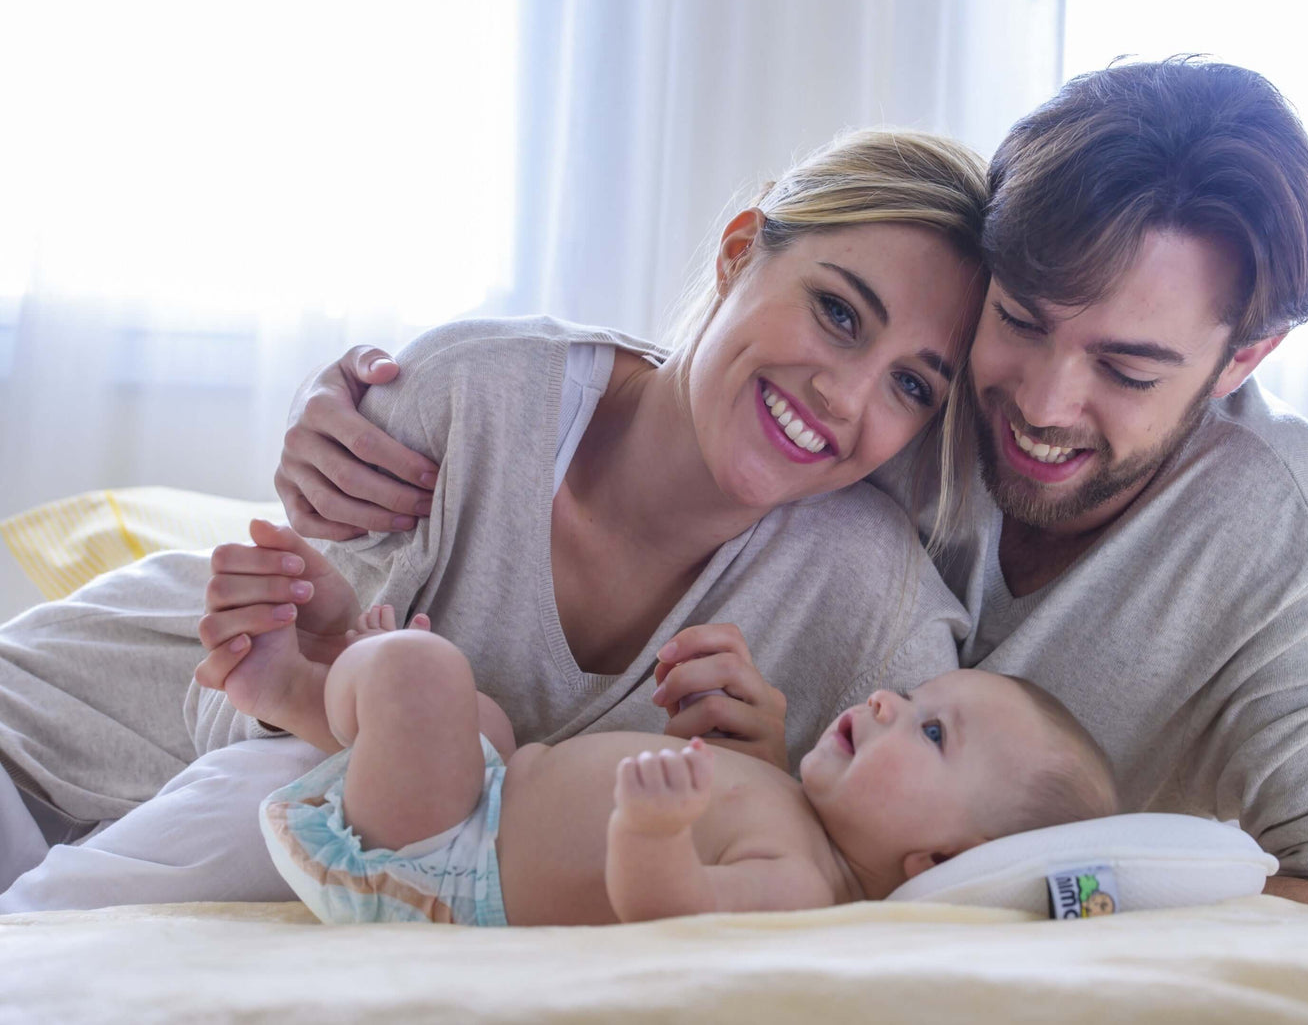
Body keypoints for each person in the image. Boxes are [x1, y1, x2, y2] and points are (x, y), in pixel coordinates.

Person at [270, 59, 1308, 908]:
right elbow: (721, 379)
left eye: (1126, 368)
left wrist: (1073, 935)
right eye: (1022, 319)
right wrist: (379, 402)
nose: (1043, 404)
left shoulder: (1277, 532)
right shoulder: (905, 403)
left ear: (1241, 361)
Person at [0, 129, 986, 910]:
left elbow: (947, 847)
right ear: (737, 255)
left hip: (166, 866)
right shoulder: (478, 397)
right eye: (837, 312)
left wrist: (767, 783)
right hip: (51, 734)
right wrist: (303, 671)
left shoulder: (873, 607)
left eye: (911, 385)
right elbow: (246, 728)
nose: (845, 396)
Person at [238, 580, 1115, 926]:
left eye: (931, 732)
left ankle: (297, 689)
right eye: (917, 695)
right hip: (480, 805)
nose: (889, 700)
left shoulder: (802, 887)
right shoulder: (797, 812)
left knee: (423, 671)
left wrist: (655, 830)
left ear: (936, 862)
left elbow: (674, 910)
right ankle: (363, 696)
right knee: (483, 721)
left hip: (442, 874)